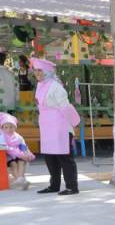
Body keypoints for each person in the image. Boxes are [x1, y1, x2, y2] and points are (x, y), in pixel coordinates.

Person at [32, 57, 81, 195]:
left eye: (40, 70)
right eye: (35, 70)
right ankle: (54, 185)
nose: (37, 73)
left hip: (60, 127)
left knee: (64, 157)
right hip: (47, 127)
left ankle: (72, 187)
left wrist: (75, 123)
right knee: (50, 157)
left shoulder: (55, 86)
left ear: (48, 71)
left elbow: (65, 107)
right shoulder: (40, 85)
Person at [2, 113, 35, 190]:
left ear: (15, 127)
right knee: (13, 164)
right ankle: (20, 180)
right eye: (6, 127)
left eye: (11, 127)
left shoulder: (17, 136)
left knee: (22, 162)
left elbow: (23, 145)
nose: (9, 129)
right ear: (2, 128)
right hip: (7, 156)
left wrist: (27, 153)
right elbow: (4, 147)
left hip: (19, 155)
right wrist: (17, 153)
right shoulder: (2, 136)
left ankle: (20, 179)